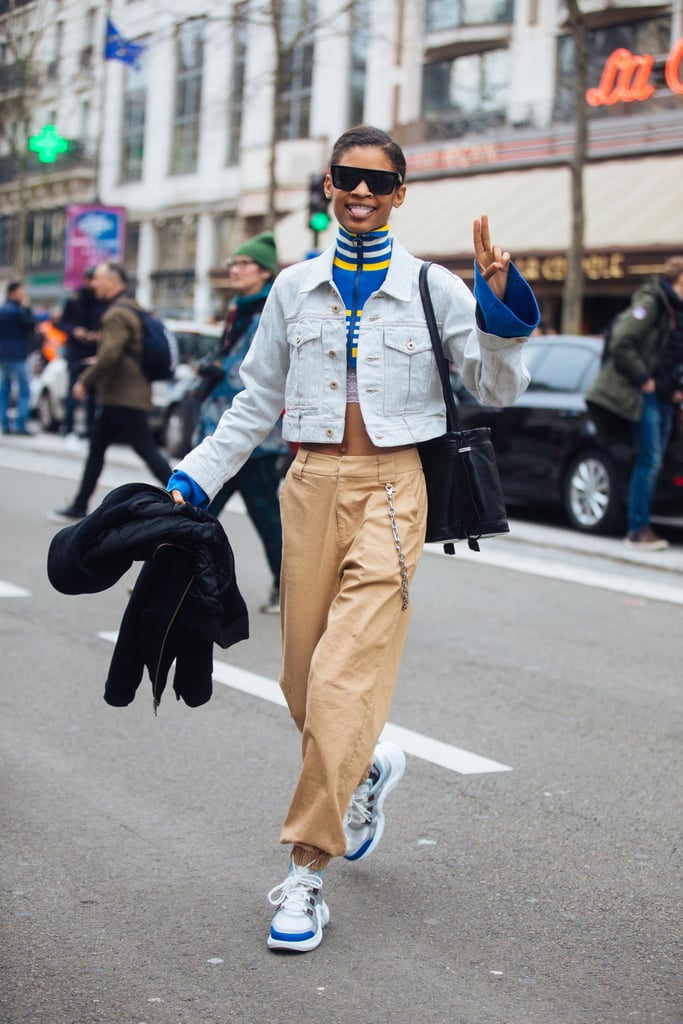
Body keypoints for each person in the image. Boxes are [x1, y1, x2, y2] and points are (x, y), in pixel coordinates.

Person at [167, 125, 539, 953]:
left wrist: (500, 306)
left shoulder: (432, 287)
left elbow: (494, 386)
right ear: (328, 186)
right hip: (308, 486)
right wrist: (193, 477)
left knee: (340, 679)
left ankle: (305, 871)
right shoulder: (293, 288)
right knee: (302, 682)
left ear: (400, 192)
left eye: (377, 180)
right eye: (346, 178)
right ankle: (366, 767)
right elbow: (255, 399)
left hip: (395, 491)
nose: (360, 191)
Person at [195, 232, 288, 614]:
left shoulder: (268, 310)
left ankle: (289, 588)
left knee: (263, 517)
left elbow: (255, 374)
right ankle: (169, 579)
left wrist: (217, 368)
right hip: (224, 429)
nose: (235, 269)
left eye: (244, 263)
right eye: (232, 263)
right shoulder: (239, 308)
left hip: (256, 437)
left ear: (264, 272)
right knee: (199, 510)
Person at [49, 262, 173, 522]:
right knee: (98, 449)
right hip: (124, 394)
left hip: (124, 396)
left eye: (100, 279)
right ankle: (79, 504)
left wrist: (85, 380)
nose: (94, 284)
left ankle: (183, 493)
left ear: (115, 282)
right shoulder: (132, 307)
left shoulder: (116, 314)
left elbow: (110, 355)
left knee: (147, 450)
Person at [587, 255, 683, 550]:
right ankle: (637, 530)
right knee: (649, 460)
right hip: (646, 396)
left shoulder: (677, 310)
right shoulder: (654, 302)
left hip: (666, 397)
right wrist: (645, 379)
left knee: (654, 460)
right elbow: (621, 341)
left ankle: (641, 524)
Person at [56, 267, 106, 441]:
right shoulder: (75, 299)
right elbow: (62, 323)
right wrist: (75, 331)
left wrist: (98, 334)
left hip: (94, 352)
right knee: (73, 392)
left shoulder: (103, 301)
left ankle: (89, 431)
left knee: (92, 395)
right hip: (76, 352)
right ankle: (69, 429)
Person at [0, 281, 37, 436]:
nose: (23, 295)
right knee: (24, 390)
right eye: (21, 292)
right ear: (12, 293)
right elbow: (31, 323)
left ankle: (4, 423)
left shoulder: (2, 311)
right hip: (18, 355)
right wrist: (27, 307)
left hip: (3, 355)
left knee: (4, 390)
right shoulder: (18, 311)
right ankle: (20, 424)